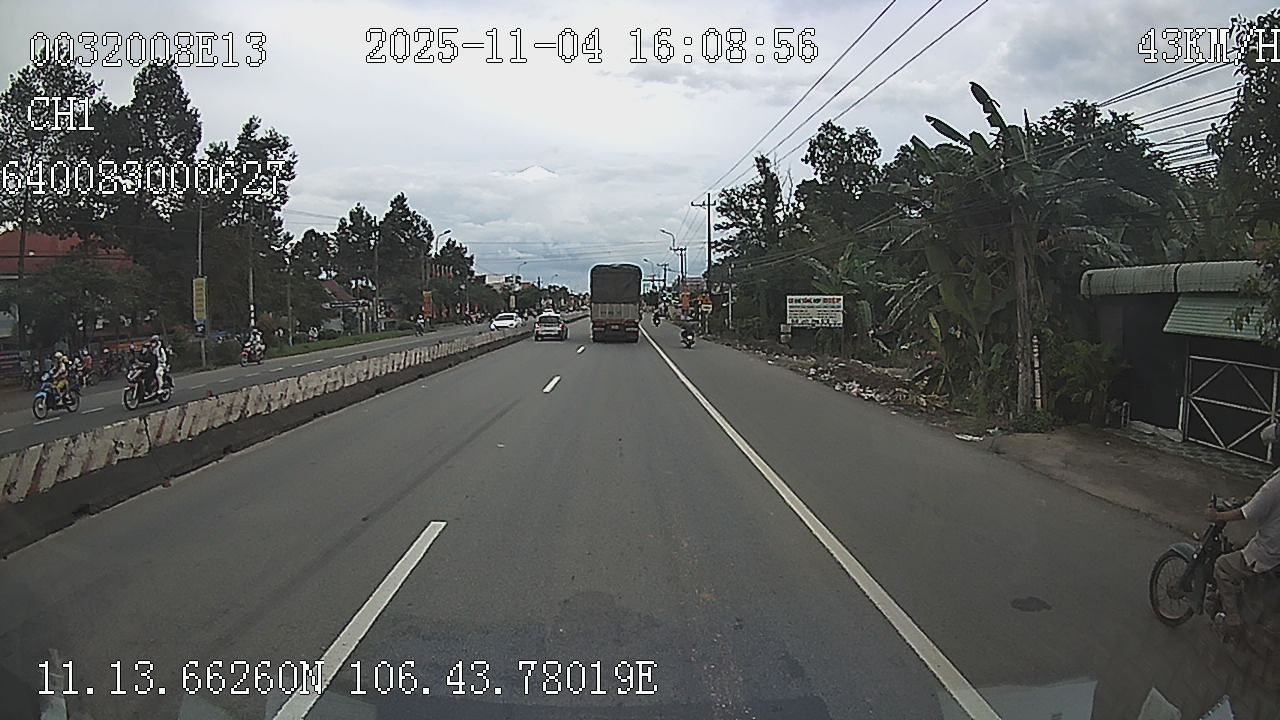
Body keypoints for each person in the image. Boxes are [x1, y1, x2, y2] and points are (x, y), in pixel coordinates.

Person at [1207, 421, 1280, 634]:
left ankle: (1233, 621)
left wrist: (1217, 515)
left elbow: (1246, 513)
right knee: (1240, 545)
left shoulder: (1275, 484)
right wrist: (1253, 499)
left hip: (1270, 550)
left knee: (1222, 565)